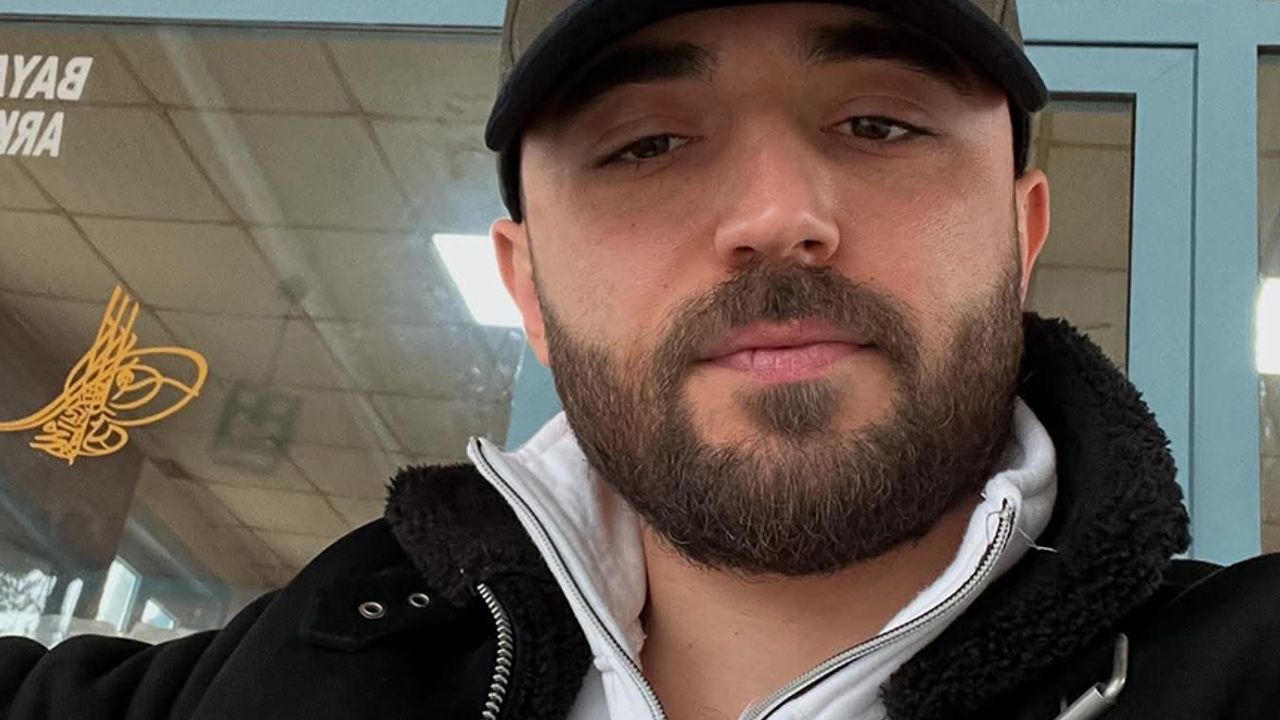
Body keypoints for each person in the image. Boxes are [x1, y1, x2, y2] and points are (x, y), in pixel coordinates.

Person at [2, 1, 1278, 719]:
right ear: (527, 289)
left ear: (1019, 235)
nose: (776, 214)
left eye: (879, 123)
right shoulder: (275, 684)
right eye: (645, 145)